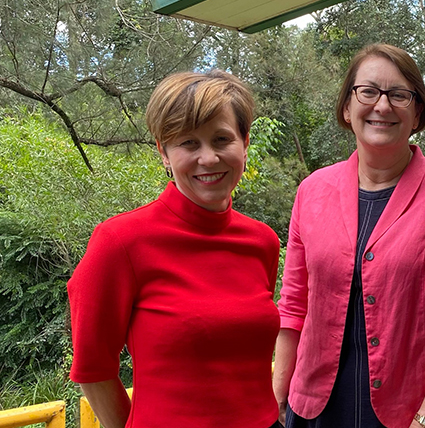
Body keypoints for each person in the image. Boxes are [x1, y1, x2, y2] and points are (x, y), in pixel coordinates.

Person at [273, 44, 425, 428]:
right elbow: (293, 308)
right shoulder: (312, 191)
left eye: (399, 94)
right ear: (347, 107)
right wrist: (274, 399)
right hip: (316, 411)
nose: (382, 105)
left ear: (418, 112)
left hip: (422, 413)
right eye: (368, 91)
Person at [68, 70, 282, 428]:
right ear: (163, 152)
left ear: (244, 143)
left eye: (221, 139)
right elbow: (94, 370)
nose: (209, 158)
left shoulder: (262, 242)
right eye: (188, 143)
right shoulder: (120, 241)